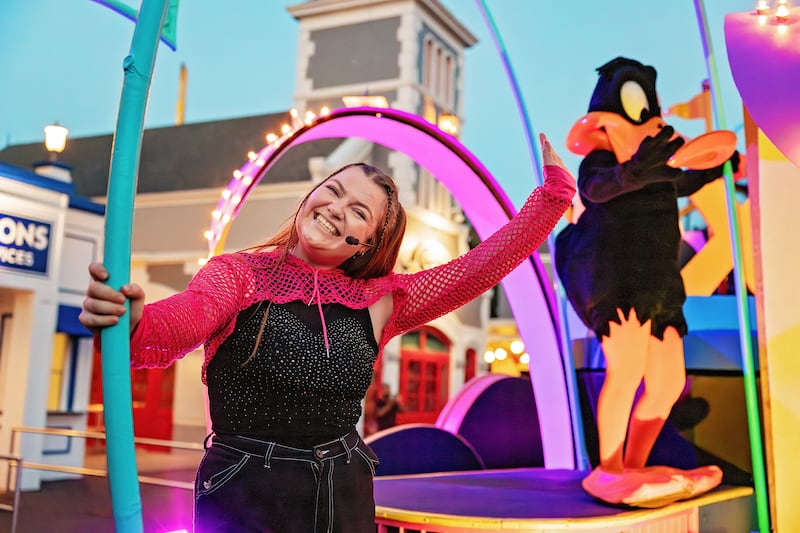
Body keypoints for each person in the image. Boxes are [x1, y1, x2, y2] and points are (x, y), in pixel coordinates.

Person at [79, 133, 575, 532]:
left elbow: (480, 267)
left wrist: (553, 196)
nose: (338, 208)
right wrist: (137, 320)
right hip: (248, 487)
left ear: (367, 242)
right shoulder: (240, 273)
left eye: (360, 211)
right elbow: (184, 318)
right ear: (310, 197)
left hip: (345, 486)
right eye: (333, 191)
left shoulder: (380, 300)